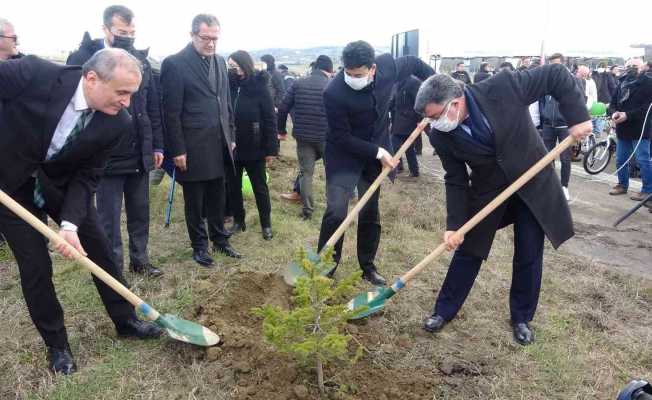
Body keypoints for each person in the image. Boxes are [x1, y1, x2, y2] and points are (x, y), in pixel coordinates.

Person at [0, 49, 164, 375]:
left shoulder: (118, 122)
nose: (127, 102)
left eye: (132, 94)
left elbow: (87, 176)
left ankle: (126, 320)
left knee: (100, 248)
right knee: (35, 265)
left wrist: (70, 224)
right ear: (91, 79)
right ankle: (57, 346)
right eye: (122, 92)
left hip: (59, 186)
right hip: (10, 184)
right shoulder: (34, 74)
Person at [415, 65, 591, 345]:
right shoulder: (440, 133)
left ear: (456, 102)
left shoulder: (504, 87)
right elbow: (456, 179)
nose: (434, 124)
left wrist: (577, 117)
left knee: (528, 251)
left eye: (436, 116)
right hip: (488, 191)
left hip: (532, 182)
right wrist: (454, 226)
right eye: (429, 119)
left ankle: (521, 317)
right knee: (468, 248)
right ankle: (443, 311)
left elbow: (555, 75)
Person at [317, 40, 435, 286]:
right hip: (344, 155)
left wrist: (437, 88)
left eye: (358, 74)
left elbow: (414, 63)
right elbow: (341, 136)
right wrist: (377, 151)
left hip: (375, 153)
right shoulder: (333, 92)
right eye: (347, 73)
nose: (352, 78)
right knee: (336, 211)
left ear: (372, 69)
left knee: (370, 210)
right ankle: (325, 266)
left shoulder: (387, 67)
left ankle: (367, 266)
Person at [67, 5, 164, 279]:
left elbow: (151, 106)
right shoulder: (85, 59)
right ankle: (112, 269)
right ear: (106, 29)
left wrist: (157, 145)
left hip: (139, 152)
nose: (128, 38)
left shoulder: (139, 63)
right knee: (107, 219)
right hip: (105, 157)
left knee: (140, 213)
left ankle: (140, 260)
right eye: (122, 32)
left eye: (132, 33)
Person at [161, 14, 240, 267]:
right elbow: (171, 112)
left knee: (218, 195)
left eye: (215, 38)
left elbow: (226, 103)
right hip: (192, 145)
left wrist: (231, 136)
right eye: (205, 38)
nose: (211, 44)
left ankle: (220, 239)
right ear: (192, 34)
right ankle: (199, 246)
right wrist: (178, 149)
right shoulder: (175, 64)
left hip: (219, 144)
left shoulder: (218, 61)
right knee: (195, 200)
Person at [226, 50, 278, 239]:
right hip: (232, 146)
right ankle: (239, 221)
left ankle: (266, 224)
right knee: (232, 186)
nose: (234, 71)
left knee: (260, 187)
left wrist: (271, 148)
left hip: (255, 146)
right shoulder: (228, 85)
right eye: (230, 67)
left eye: (236, 66)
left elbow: (270, 119)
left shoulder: (259, 86)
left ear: (244, 65)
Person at [277, 55, 333, 220]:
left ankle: (307, 210)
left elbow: (282, 108)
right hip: (326, 137)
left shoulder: (298, 83)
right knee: (332, 173)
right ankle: (333, 209)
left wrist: (281, 130)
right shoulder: (332, 85)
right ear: (329, 70)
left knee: (306, 173)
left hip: (303, 137)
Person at [608, 58, 652, 203]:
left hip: (640, 128)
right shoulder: (621, 82)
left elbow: (647, 108)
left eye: (635, 66)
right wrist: (614, 112)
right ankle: (622, 184)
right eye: (629, 66)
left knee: (642, 160)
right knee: (621, 159)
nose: (631, 68)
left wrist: (627, 115)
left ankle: (647, 190)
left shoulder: (648, 83)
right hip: (623, 128)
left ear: (642, 67)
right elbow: (613, 102)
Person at [389, 75, 422, 177]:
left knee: (399, 146)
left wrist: (419, 119)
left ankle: (409, 169)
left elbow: (418, 102)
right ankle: (408, 169)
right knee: (406, 147)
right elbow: (393, 100)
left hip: (408, 120)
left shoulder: (413, 82)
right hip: (398, 120)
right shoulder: (397, 82)